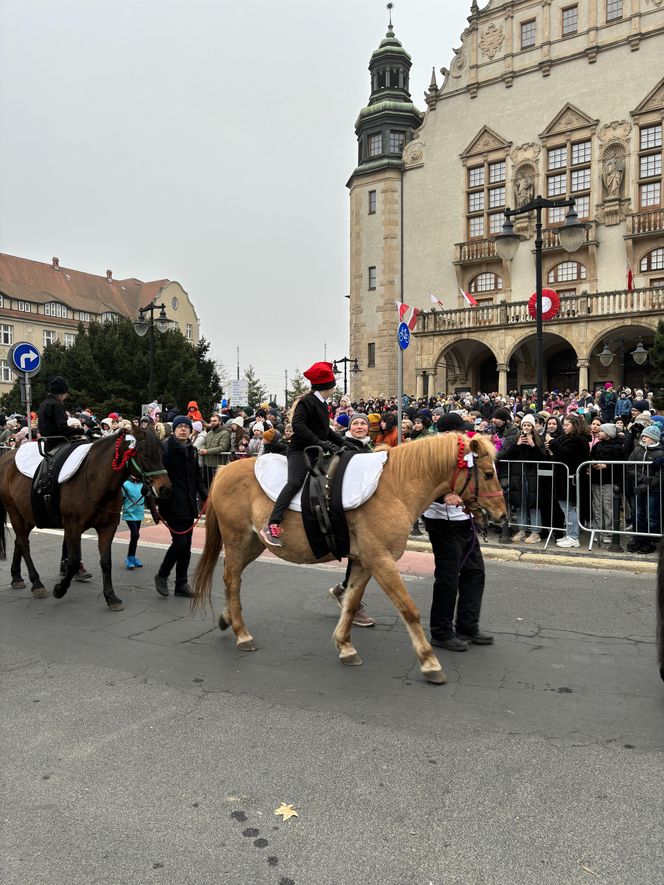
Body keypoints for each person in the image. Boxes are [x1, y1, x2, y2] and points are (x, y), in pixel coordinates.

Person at [423, 412, 493, 651]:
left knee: (475, 572)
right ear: (446, 434)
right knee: (448, 576)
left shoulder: (468, 455)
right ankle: (441, 632)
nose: (464, 435)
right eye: (460, 431)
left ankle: (467, 625)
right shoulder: (433, 456)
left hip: (464, 519)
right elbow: (422, 486)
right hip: (441, 520)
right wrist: (444, 496)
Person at [261, 361, 345, 547]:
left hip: (315, 450)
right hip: (300, 450)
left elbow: (326, 430)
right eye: (333, 382)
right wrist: (320, 442)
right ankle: (272, 523)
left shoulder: (322, 403)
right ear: (328, 385)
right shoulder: (307, 401)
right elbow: (298, 425)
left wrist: (343, 442)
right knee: (295, 482)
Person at [327, 413, 375, 627]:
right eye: (355, 423)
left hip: (365, 508)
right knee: (361, 557)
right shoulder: (344, 446)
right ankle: (351, 603)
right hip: (346, 506)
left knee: (360, 557)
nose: (359, 426)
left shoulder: (370, 448)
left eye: (363, 423)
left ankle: (343, 590)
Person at [154, 415, 208, 597]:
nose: (183, 429)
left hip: (188, 504)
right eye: (180, 427)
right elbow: (157, 475)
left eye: (186, 426)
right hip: (171, 503)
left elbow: (198, 477)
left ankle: (181, 584)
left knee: (187, 546)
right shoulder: (166, 448)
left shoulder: (192, 450)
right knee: (179, 542)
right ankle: (162, 575)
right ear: (174, 429)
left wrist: (206, 496)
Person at [121, 474, 145, 569]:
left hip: (139, 514)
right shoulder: (126, 484)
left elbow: (149, 499)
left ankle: (132, 557)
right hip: (129, 514)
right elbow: (121, 499)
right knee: (135, 534)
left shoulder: (142, 484)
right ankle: (129, 558)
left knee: (134, 537)